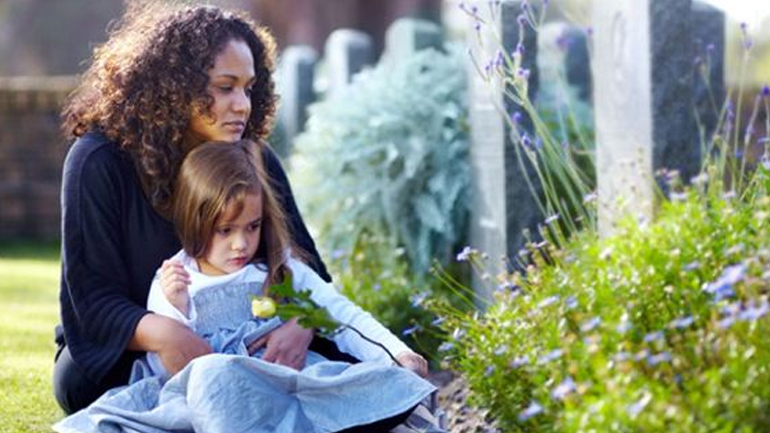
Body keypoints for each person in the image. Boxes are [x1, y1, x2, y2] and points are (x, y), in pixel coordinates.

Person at [54, 3, 336, 415]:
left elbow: (310, 272)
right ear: (173, 86)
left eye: (248, 88)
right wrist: (167, 334)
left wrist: (302, 323)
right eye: (225, 87)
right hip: (140, 350)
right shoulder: (98, 160)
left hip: (247, 344)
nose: (242, 104)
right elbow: (92, 302)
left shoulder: (253, 159)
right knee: (81, 382)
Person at [53, 140, 436, 433]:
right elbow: (165, 368)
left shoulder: (279, 269)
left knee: (371, 384)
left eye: (252, 227)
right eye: (225, 230)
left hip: (281, 386)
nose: (240, 244)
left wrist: (397, 355)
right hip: (205, 395)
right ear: (193, 223)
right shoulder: (176, 279)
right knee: (210, 375)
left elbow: (340, 315)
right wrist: (176, 308)